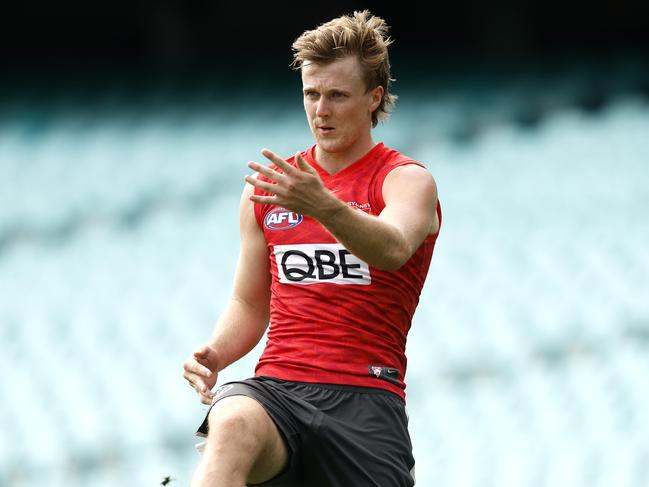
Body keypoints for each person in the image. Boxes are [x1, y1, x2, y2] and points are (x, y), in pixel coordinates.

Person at [183, 10, 441, 487]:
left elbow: (392, 249)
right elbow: (248, 303)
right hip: (278, 388)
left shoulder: (407, 181)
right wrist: (217, 353)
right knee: (232, 422)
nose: (321, 110)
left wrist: (323, 206)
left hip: (366, 398)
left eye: (338, 95)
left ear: (374, 99)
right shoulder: (271, 188)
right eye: (311, 94)